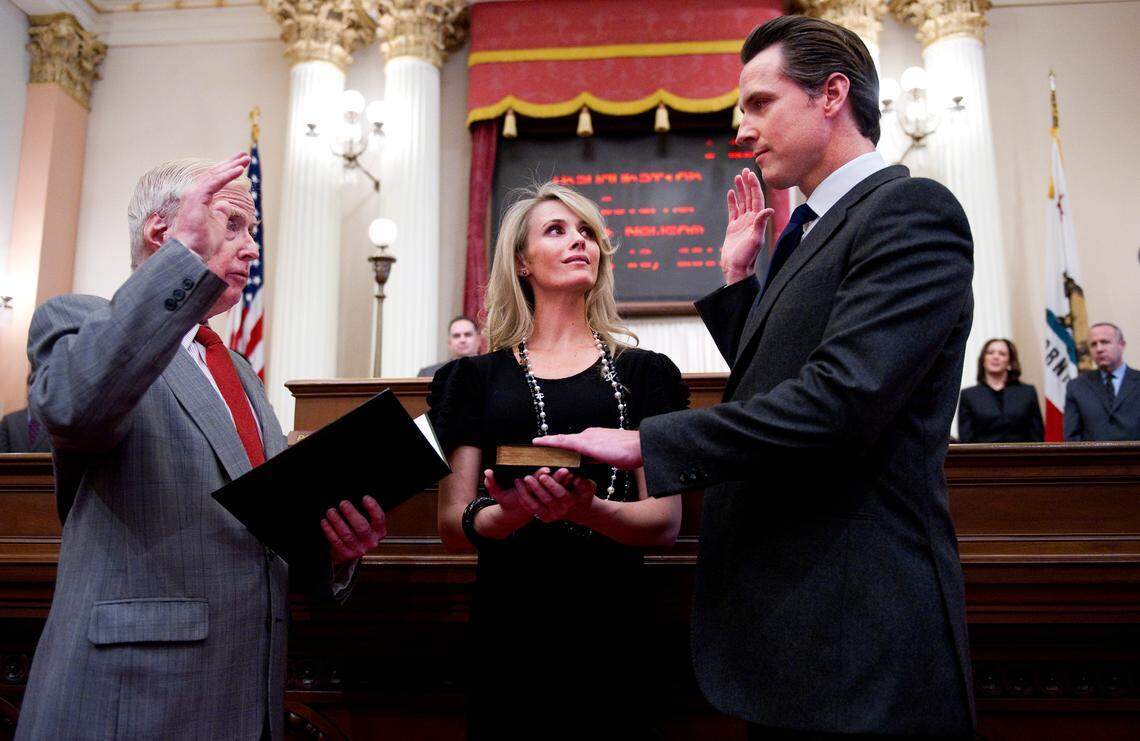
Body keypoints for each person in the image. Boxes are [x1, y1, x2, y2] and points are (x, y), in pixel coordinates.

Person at [536, 16, 975, 739]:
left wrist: (649, 441)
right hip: (799, 632)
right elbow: (780, 385)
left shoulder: (907, 210)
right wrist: (740, 283)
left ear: (832, 94)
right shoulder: (811, 229)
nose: (743, 129)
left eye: (760, 103)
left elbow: (840, 403)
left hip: (861, 635)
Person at [16, 154, 388, 741]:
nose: (251, 250)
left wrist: (333, 549)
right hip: (133, 693)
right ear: (164, 232)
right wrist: (182, 261)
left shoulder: (238, 371)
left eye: (253, 232)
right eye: (232, 226)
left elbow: (261, 530)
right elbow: (76, 407)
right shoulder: (78, 319)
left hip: (245, 694)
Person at [427, 182, 687, 740]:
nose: (580, 242)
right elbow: (452, 524)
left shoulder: (646, 374)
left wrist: (584, 510)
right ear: (521, 262)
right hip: (511, 623)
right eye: (557, 230)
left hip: (615, 621)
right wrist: (512, 513)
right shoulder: (475, 378)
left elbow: (665, 522)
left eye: (588, 232)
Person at [958, 338, 1044, 443]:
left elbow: (1037, 436)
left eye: (1002, 354)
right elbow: (966, 440)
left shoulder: (1027, 392)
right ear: (983, 360)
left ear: (1010, 362)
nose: (996, 357)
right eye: (990, 353)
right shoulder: (969, 395)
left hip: (1022, 457)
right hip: (983, 458)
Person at [1064, 322, 1140, 441]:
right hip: (1093, 458)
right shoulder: (1077, 386)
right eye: (1093, 344)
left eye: (1105, 342)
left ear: (1122, 345)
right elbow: (1072, 437)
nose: (1099, 349)